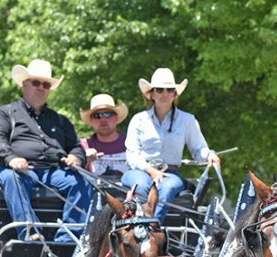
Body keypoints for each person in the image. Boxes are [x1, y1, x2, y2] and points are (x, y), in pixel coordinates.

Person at [0, 59, 92, 241]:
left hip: (53, 172)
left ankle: (68, 240)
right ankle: (30, 234)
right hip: (17, 171)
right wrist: (11, 158)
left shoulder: (60, 120)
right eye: (36, 83)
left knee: (82, 181)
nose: (41, 88)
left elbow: (75, 146)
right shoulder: (5, 113)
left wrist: (76, 156)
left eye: (46, 84)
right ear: (24, 84)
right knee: (12, 178)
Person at [122, 68, 221, 223]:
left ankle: (152, 227)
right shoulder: (138, 120)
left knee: (168, 188)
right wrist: (151, 171)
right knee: (141, 185)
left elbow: (199, 148)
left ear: (175, 94)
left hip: (170, 173)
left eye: (170, 90)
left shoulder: (187, 120)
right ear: (151, 94)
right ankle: (139, 225)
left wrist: (209, 154)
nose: (164, 93)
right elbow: (132, 154)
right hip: (140, 171)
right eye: (159, 89)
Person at [80, 93, 129, 177]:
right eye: (97, 116)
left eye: (108, 114)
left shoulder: (131, 142)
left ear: (116, 117)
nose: (103, 119)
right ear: (91, 121)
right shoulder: (83, 145)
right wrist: (84, 159)